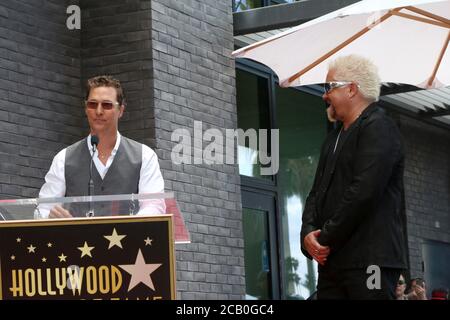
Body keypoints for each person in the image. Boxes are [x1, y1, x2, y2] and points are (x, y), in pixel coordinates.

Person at [300, 55, 408, 299]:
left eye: (329, 87)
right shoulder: (333, 139)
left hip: (371, 261)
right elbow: (316, 193)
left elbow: (363, 192)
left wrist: (323, 238)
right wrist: (307, 234)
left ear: (351, 89)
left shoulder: (380, 126)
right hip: (333, 263)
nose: (324, 95)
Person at [37, 75, 165, 218]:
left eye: (107, 105)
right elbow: (43, 208)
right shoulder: (63, 159)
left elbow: (154, 206)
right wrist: (52, 216)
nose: (98, 111)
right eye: (92, 104)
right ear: (86, 108)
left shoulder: (144, 156)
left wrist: (131, 226)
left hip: (129, 239)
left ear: (121, 110)